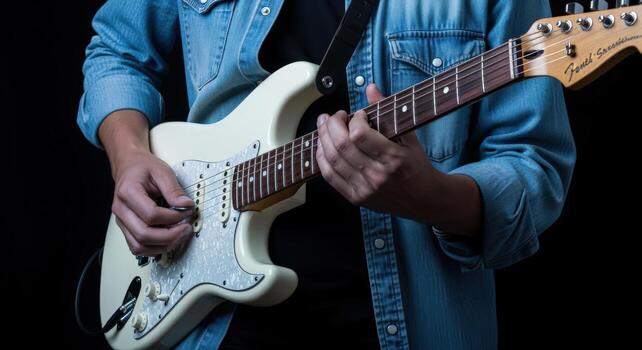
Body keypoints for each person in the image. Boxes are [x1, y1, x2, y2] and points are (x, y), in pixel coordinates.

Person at [77, 0, 576, 348]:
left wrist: (430, 197)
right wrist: (129, 158)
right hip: (213, 322)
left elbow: (534, 168)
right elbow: (117, 48)